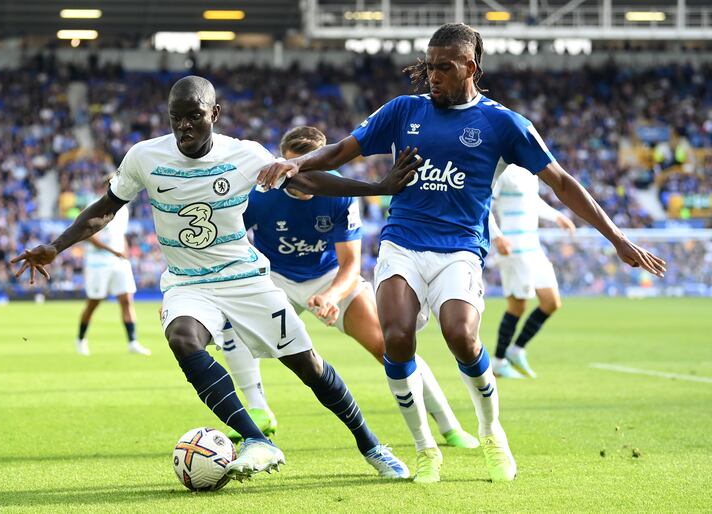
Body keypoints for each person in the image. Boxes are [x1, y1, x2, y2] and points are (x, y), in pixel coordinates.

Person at [256, 23, 666, 483]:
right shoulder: (402, 111)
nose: (433, 76)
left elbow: (563, 183)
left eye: (444, 68)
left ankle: (492, 432)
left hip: (460, 250)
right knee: (395, 336)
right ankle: (424, 448)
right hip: (402, 243)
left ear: (470, 67)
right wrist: (297, 162)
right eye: (429, 67)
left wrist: (616, 238)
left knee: (462, 337)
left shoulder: (504, 124)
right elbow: (340, 152)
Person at [10, 76, 420, 482]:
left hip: (245, 277)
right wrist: (57, 246)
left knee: (307, 366)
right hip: (187, 281)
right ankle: (257, 439)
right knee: (182, 339)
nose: (184, 127)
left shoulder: (243, 155)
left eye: (194, 117)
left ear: (215, 114)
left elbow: (306, 180)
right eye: (176, 119)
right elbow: (106, 206)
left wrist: (376, 186)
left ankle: (371, 446)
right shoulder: (144, 156)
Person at [222, 126, 478, 450]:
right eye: (291, 168)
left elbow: (350, 265)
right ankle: (258, 409)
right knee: (231, 321)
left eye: (308, 168)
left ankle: (448, 426)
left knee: (389, 347)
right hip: (276, 276)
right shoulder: (260, 192)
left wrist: (331, 296)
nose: (298, 179)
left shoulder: (340, 193)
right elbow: (228, 241)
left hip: (328, 276)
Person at [488, 164, 575, 378]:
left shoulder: (529, 170)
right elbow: (483, 206)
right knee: (517, 306)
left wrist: (557, 216)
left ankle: (516, 350)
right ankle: (498, 361)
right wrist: (496, 235)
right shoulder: (501, 171)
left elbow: (532, 200)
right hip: (513, 247)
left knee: (551, 302)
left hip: (533, 247)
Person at [76, 176, 151, 356]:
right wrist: (113, 251)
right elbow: (88, 235)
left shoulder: (123, 209)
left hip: (119, 262)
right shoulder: (94, 206)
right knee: (93, 303)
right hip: (98, 264)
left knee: (126, 300)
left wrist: (124, 253)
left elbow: (121, 234)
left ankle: (133, 342)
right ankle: (81, 340)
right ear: (106, 186)